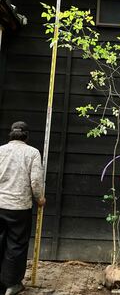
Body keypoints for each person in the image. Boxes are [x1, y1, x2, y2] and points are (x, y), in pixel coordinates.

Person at [0, 121, 46, 295]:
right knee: (16, 245)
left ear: (11, 134)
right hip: (19, 207)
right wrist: (40, 198)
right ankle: (12, 284)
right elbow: (35, 181)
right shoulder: (32, 153)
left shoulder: (0, 150)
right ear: (26, 136)